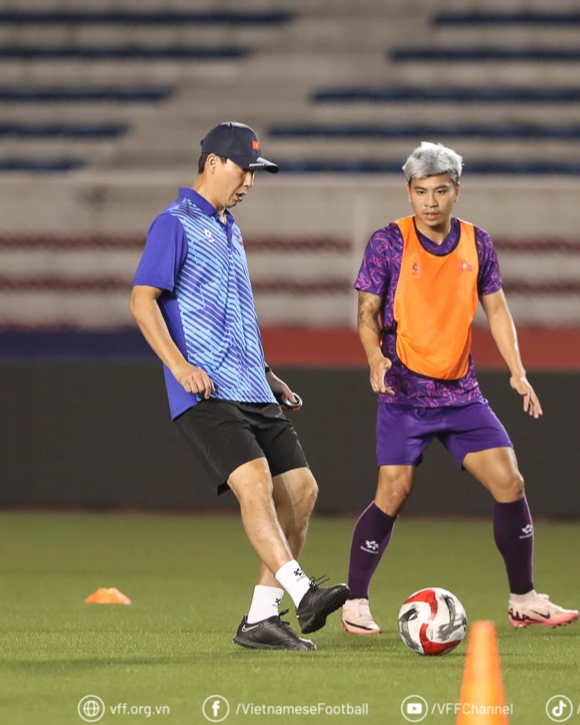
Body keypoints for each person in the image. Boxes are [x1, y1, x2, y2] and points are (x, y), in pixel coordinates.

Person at [341, 142, 578, 635]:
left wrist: (517, 370)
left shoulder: (478, 243)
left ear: (456, 192)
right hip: (403, 390)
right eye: (421, 191)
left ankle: (524, 598)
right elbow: (366, 312)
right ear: (409, 193)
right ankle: (355, 602)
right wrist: (374, 357)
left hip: (461, 393)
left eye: (441, 191)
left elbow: (496, 309)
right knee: (393, 491)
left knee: (510, 481)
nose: (430, 201)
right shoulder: (388, 242)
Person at [129, 121, 349, 651]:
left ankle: (259, 619)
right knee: (254, 482)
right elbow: (142, 300)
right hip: (204, 391)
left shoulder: (230, 226)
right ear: (212, 164)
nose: (250, 180)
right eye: (243, 168)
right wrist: (180, 366)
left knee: (302, 491)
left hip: (252, 386)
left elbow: (236, 314)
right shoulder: (173, 223)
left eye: (255, 171)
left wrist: (267, 372)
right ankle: (303, 593)